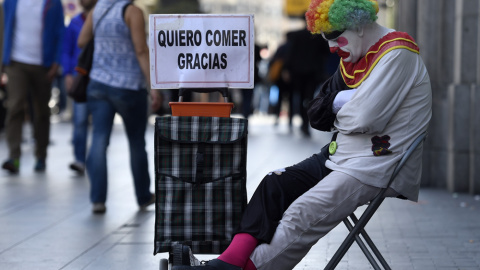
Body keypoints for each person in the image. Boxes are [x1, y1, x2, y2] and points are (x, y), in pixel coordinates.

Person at [174, 0, 432, 269]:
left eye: (333, 37)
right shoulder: (354, 57)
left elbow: (366, 117)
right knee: (274, 184)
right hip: (341, 156)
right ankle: (230, 261)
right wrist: (344, 101)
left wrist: (343, 111)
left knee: (302, 212)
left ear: (358, 25)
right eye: (326, 40)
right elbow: (318, 112)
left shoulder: (397, 53)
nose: (332, 48)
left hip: (376, 164)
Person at [77, 0, 161, 214]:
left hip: (98, 83)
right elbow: (141, 50)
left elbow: (82, 40)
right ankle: (143, 196)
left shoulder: (98, 9)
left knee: (99, 138)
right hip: (128, 87)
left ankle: (97, 199)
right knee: (135, 142)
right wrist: (154, 86)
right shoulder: (132, 11)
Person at [1, 0, 65, 174]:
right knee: (14, 106)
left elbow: (60, 31)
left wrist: (56, 62)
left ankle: (41, 155)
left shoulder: (53, 3)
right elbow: (3, 28)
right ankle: (14, 157)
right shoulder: (11, 2)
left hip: (43, 64)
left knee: (41, 111)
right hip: (16, 62)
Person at [62, 0, 97, 175]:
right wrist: (68, 73)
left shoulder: (102, 18)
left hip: (100, 76)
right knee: (80, 120)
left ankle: (96, 160)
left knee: (99, 124)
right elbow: (67, 50)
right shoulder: (75, 22)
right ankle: (79, 159)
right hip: (80, 77)